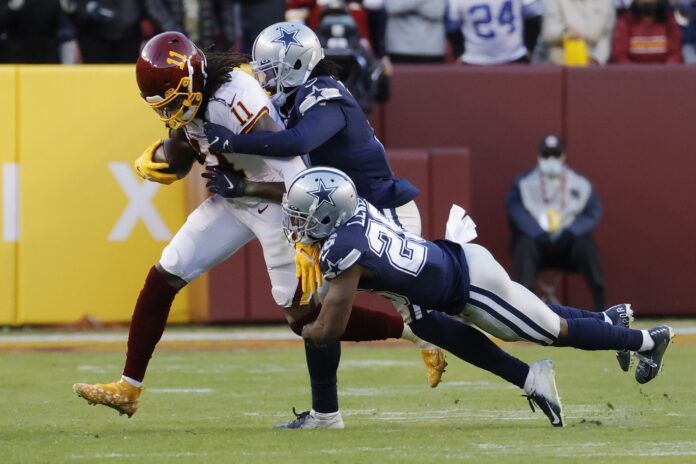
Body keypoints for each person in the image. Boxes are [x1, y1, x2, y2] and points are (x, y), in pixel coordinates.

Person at [72, 31, 442, 428]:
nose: (172, 111)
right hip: (233, 201)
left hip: (278, 203)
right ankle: (129, 388)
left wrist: (303, 233)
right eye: (165, 106)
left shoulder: (237, 96)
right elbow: (181, 154)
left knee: (303, 320)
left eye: (175, 101)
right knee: (166, 274)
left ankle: (408, 334)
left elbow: (295, 170)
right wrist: (159, 156)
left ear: (193, 80)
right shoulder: (191, 100)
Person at [282, 166, 675, 426]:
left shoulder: (342, 252)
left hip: (470, 284)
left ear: (330, 214)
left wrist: (306, 330)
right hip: (447, 275)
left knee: (552, 330)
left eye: (302, 215)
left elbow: (330, 326)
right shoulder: (357, 213)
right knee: (434, 325)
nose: (295, 224)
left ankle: (645, 341)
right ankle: (607, 323)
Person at [202, 21, 451, 428]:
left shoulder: (323, 93)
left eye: (269, 70)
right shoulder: (293, 101)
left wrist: (233, 142)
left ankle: (521, 358)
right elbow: (303, 187)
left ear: (295, 64)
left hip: (382, 213)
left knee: (436, 308)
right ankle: (325, 413)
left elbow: (299, 143)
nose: (263, 80)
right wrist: (244, 184)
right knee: (315, 313)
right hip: (347, 217)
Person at [506, 135, 606, 311]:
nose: (551, 159)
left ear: (563, 156)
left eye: (555, 154)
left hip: (568, 244)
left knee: (587, 246)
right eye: (546, 155)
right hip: (537, 243)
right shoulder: (523, 183)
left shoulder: (581, 183)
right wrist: (535, 232)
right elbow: (515, 210)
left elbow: (593, 211)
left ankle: (602, 305)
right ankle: (522, 308)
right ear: (538, 156)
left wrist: (573, 231)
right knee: (524, 246)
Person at [446, 0, 542, 64]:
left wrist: (528, 47)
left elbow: (534, 15)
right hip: (475, 59)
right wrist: (460, 52)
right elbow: (452, 26)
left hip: (513, 56)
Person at [541, 0, 616, 65]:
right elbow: (548, 32)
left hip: (593, 64)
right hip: (560, 63)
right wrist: (564, 31)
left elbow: (606, 34)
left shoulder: (606, 2)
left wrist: (596, 59)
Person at [611, 0, 683, 63]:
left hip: (665, 75)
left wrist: (663, 74)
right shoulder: (625, 22)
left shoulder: (670, 21)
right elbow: (619, 56)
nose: (647, 1)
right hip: (632, 75)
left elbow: (675, 55)